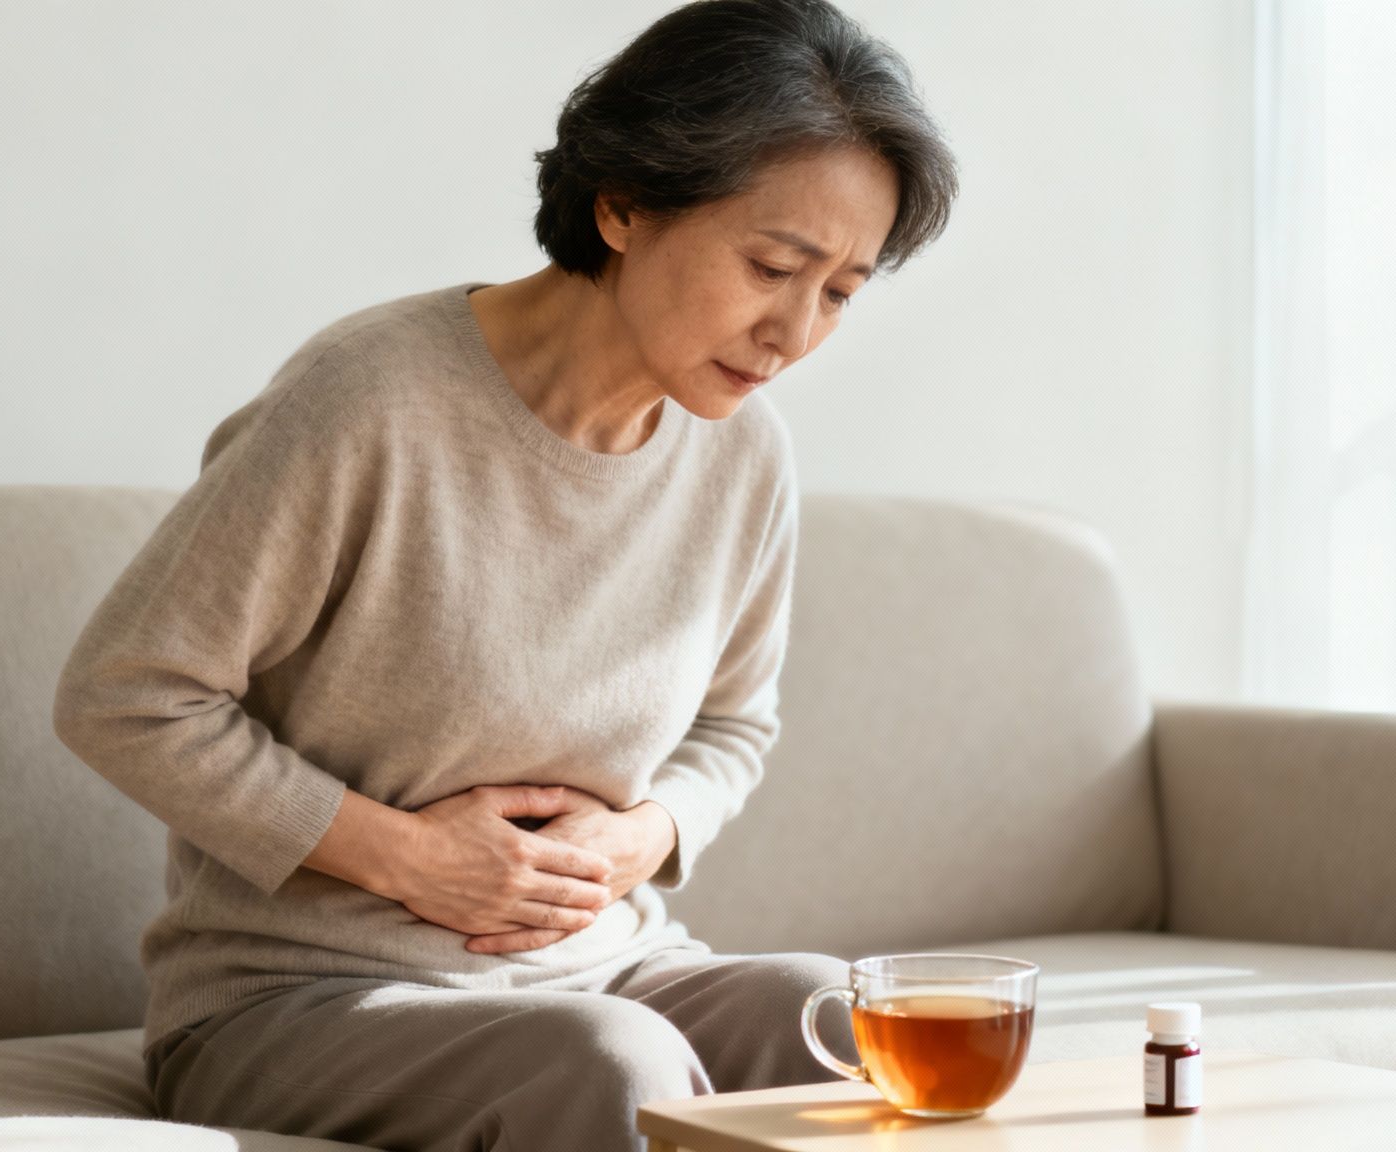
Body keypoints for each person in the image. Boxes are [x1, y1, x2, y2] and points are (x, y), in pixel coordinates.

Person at [51, 0, 957, 1146]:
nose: (792, 332)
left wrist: (643, 836)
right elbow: (126, 694)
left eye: (838, 292)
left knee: (836, 1012)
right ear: (621, 204)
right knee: (614, 1064)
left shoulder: (742, 451)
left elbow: (733, 725)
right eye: (771, 265)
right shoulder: (369, 400)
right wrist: (411, 860)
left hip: (603, 967)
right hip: (305, 997)